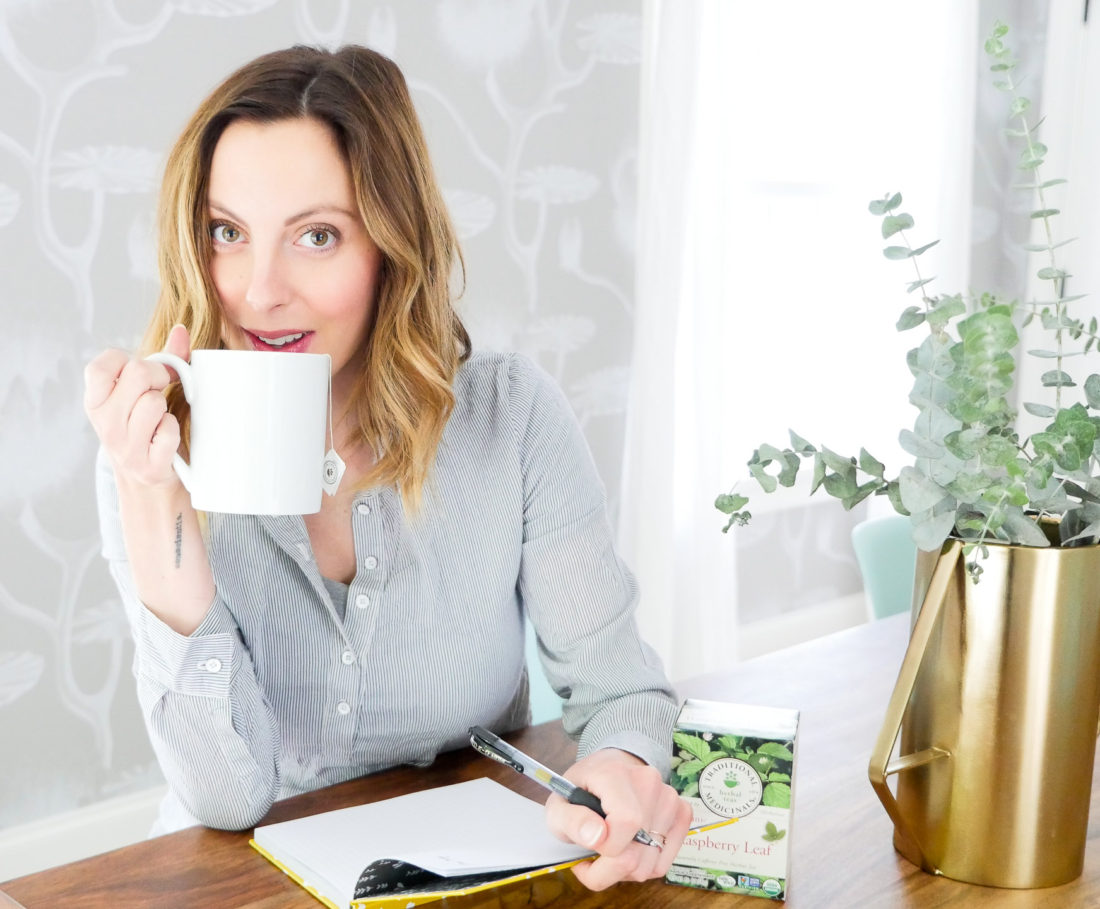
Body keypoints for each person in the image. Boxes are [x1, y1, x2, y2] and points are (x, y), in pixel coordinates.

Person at [83, 44, 690, 890]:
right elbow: (226, 797)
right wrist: (155, 509)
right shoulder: (149, 448)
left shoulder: (509, 418)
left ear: (391, 248)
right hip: (233, 883)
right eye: (228, 233)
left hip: (464, 876)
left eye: (317, 236)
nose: (259, 291)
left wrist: (621, 764)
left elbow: (622, 686)